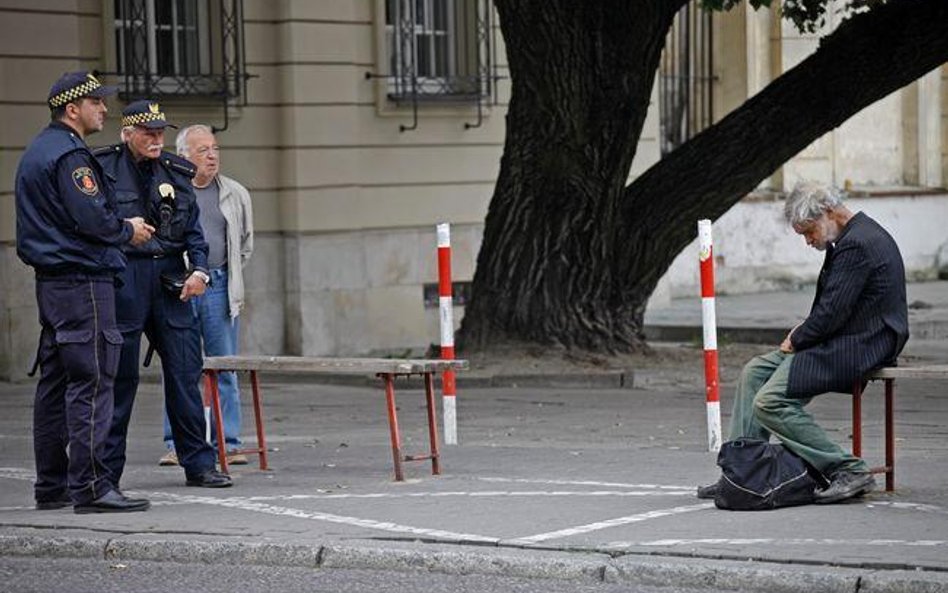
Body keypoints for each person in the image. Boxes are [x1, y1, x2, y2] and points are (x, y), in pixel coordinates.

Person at [697, 181, 908, 504]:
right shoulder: (853, 238)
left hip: (863, 343)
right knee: (755, 371)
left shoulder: (859, 244)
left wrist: (798, 338)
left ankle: (848, 468)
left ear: (826, 213)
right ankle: (742, 471)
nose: (808, 241)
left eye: (808, 232)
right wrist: (803, 335)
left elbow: (832, 312)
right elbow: (834, 310)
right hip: (845, 337)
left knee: (770, 402)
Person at [15, 72, 154, 513]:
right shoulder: (70, 155)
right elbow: (92, 219)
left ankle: (52, 485)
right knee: (93, 381)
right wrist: (126, 230)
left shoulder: (40, 149)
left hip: (55, 283)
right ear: (72, 109)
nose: (104, 109)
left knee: (56, 384)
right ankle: (93, 487)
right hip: (82, 281)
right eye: (96, 102)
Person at [94, 100, 232, 489]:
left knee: (186, 374)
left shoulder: (175, 173)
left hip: (171, 281)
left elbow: (194, 235)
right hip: (126, 279)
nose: (156, 140)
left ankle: (199, 464)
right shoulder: (103, 169)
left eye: (160, 133)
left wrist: (200, 271)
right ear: (127, 134)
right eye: (148, 133)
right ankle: (106, 475)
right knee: (119, 379)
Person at [158, 124, 254, 467]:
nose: (212, 156)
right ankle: (175, 442)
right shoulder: (171, 192)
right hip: (180, 287)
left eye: (214, 149)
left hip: (219, 285)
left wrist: (224, 275)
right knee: (180, 368)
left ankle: (229, 440)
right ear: (184, 156)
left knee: (223, 366)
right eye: (203, 151)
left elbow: (244, 245)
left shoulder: (235, 193)